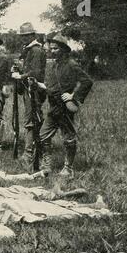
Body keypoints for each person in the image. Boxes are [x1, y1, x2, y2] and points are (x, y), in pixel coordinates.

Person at [40, 33, 93, 177]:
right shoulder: (54, 65)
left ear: (63, 49)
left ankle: (68, 168)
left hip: (65, 107)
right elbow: (53, 86)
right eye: (51, 48)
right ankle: (47, 167)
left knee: (68, 137)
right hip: (53, 107)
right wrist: (41, 86)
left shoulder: (71, 64)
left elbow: (87, 81)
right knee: (43, 135)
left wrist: (73, 96)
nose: (52, 51)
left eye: (56, 48)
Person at [12, 22, 47, 170]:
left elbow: (36, 73)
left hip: (34, 90)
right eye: (23, 36)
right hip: (28, 89)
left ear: (33, 35)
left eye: (27, 35)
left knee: (31, 121)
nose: (24, 38)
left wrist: (20, 76)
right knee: (30, 120)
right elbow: (30, 69)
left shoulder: (36, 50)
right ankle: (32, 152)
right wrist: (19, 70)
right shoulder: (28, 50)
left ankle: (30, 154)